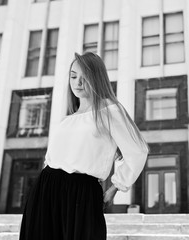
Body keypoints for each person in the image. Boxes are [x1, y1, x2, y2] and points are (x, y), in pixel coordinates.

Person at [19, 52, 150, 240]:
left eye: (85, 77)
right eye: (73, 76)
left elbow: (138, 150)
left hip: (81, 193)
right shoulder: (67, 119)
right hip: (46, 190)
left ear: (97, 78)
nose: (77, 83)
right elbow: (51, 159)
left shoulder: (108, 110)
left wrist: (115, 187)